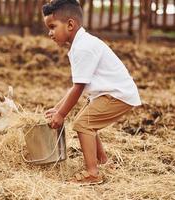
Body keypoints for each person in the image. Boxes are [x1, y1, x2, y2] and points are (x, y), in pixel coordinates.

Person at [42, 0, 141, 185]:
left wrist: (62, 114)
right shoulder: (80, 44)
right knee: (88, 121)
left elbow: (78, 88)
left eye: (53, 27)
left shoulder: (83, 47)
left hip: (117, 94)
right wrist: (57, 108)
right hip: (110, 93)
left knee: (83, 124)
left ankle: (92, 173)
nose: (50, 33)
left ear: (70, 24)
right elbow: (76, 85)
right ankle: (103, 162)